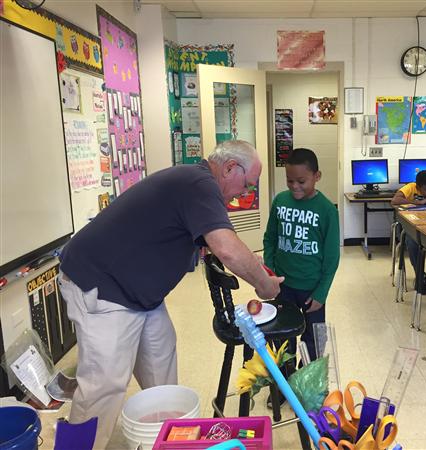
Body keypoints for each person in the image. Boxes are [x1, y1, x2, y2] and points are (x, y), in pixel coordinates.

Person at [58, 140, 283, 449]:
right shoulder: (199, 183)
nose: (245, 193)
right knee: (104, 385)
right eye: (247, 185)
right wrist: (264, 284)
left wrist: (252, 262)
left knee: (161, 362)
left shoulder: (196, 183)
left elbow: (218, 240)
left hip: (140, 294)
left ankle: (166, 440)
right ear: (230, 168)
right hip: (103, 286)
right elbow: (227, 249)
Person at [263, 148, 340, 366]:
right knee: (282, 339)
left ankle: (306, 380)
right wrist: (270, 272)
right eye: (290, 180)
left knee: (314, 340)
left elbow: (332, 257)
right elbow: (270, 239)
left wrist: (321, 293)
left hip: (312, 289)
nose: (295, 186)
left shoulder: (327, 210)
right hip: (282, 285)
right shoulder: (280, 201)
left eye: (301, 181)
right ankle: (285, 379)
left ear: (317, 176)